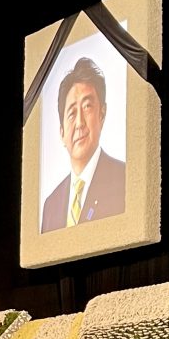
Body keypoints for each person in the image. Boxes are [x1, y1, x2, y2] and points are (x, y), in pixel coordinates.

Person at [42, 57, 126, 233]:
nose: (79, 122)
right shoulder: (50, 205)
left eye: (87, 107)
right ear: (62, 132)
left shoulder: (125, 180)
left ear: (102, 114)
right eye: (72, 113)